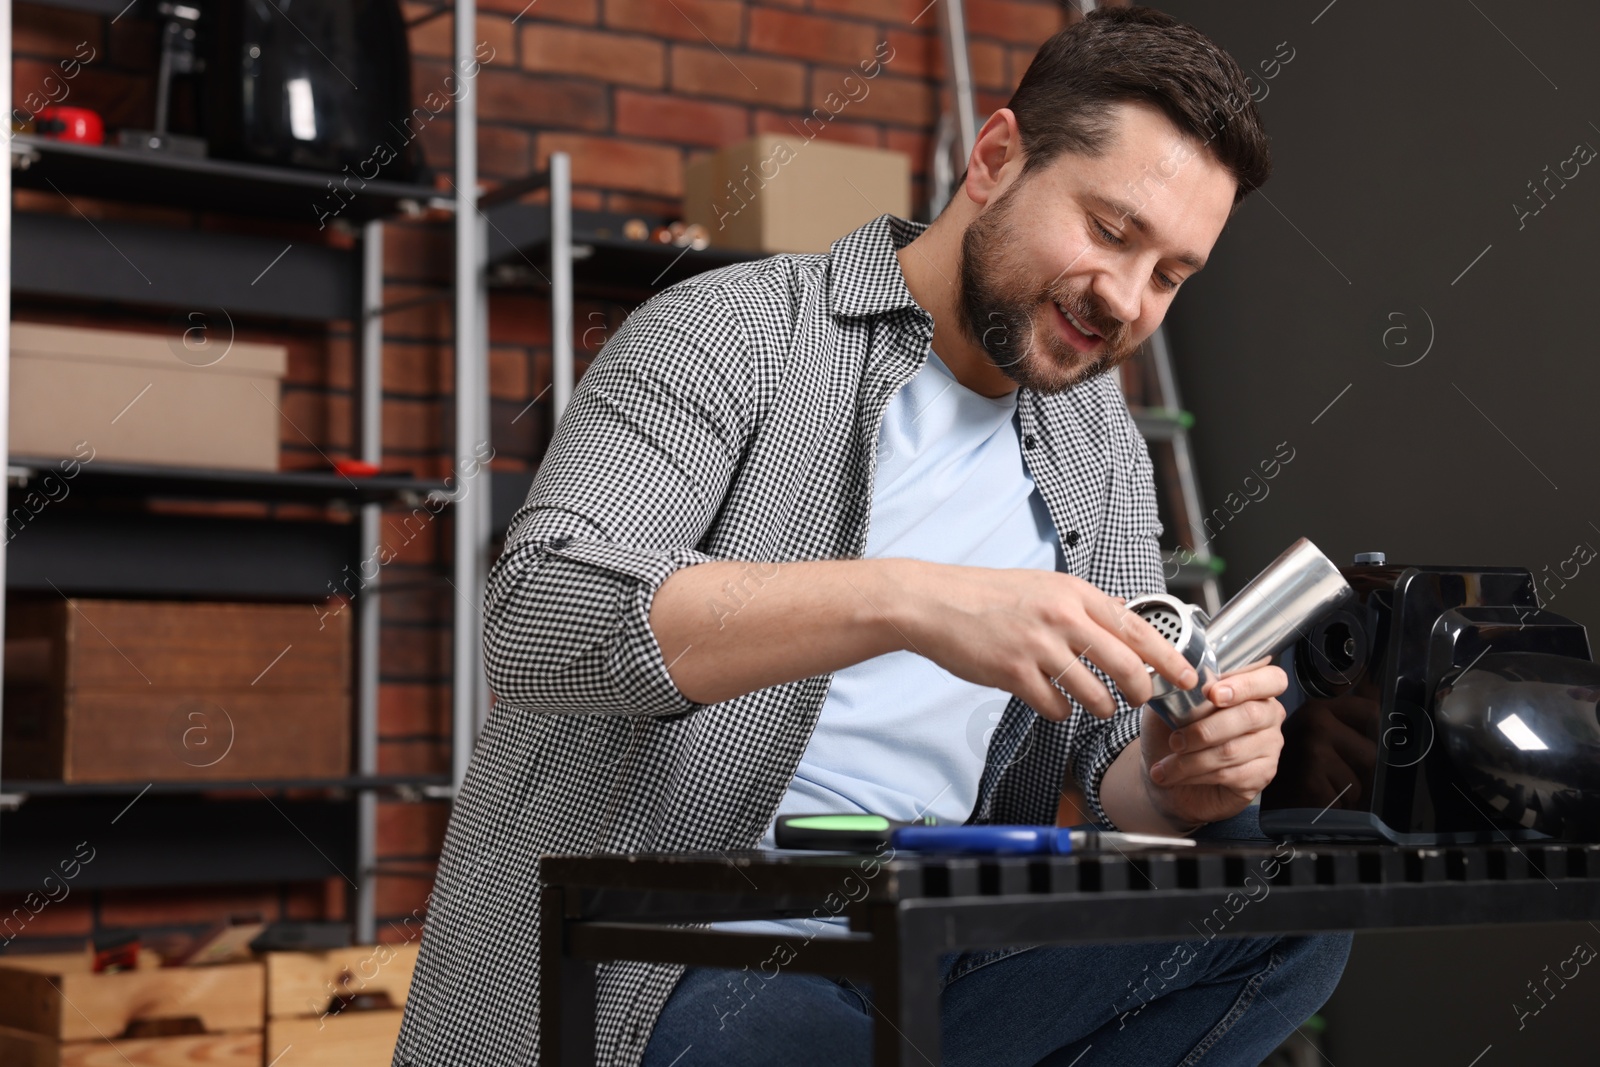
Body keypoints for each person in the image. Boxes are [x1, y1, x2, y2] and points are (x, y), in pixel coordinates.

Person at [392, 7, 1351, 1066]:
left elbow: (1106, 751)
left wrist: (1178, 767)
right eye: (1110, 231)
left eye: (1169, 274)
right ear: (993, 160)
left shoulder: (1101, 447)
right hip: (684, 942)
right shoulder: (731, 331)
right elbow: (536, 616)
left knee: (1287, 921)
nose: (1123, 299)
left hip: (934, 935)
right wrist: (907, 599)